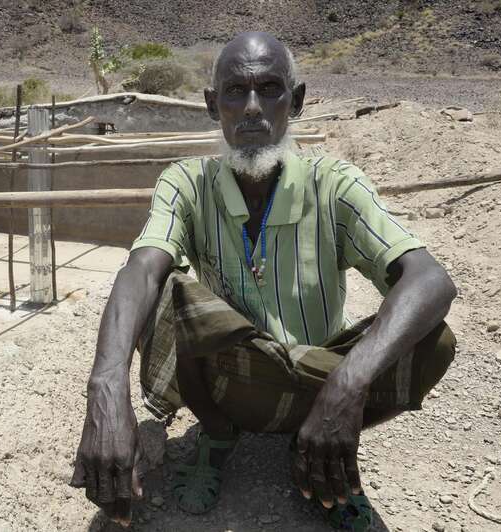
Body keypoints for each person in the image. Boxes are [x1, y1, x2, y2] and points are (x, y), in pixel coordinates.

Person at [69, 31, 457, 530]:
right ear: (213, 105)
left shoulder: (334, 184)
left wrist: (348, 383)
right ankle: (217, 436)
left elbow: (429, 279)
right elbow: (141, 269)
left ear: (296, 100)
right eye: (236, 91)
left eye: (270, 89)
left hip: (317, 378)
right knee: (163, 291)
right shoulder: (186, 184)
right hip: (227, 379)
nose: (252, 107)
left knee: (431, 340)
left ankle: (317, 448)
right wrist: (105, 385)